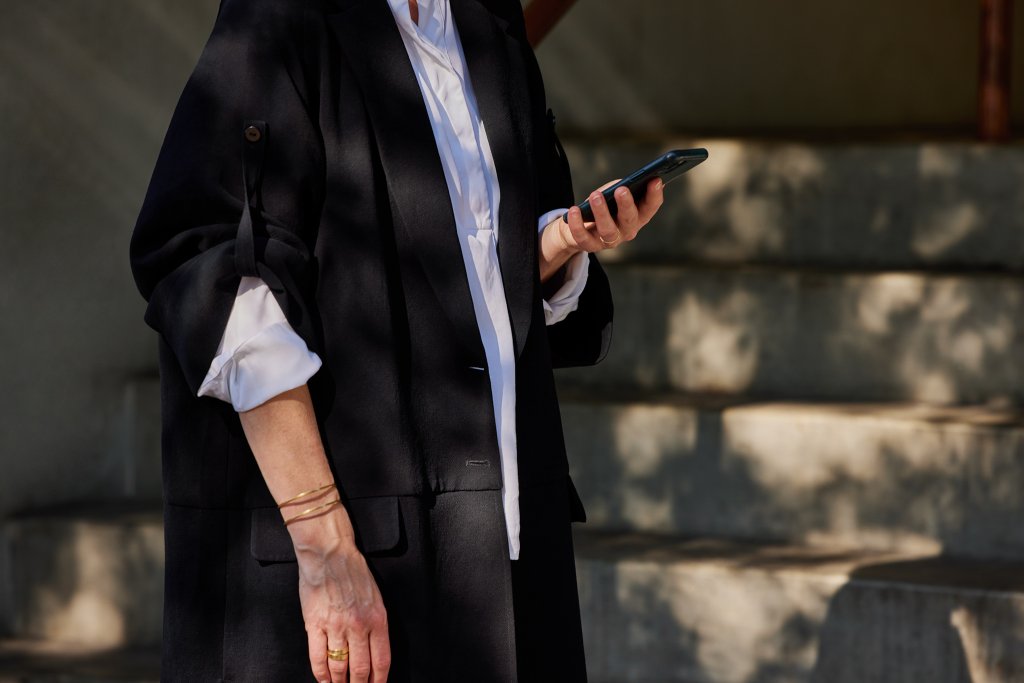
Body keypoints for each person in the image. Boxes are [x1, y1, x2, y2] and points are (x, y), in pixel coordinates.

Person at [129, 0, 665, 681]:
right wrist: (323, 543)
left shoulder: (488, 27)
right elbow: (211, 267)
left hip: (507, 556)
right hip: (360, 562)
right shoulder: (282, 18)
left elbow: (454, 272)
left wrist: (563, 239)